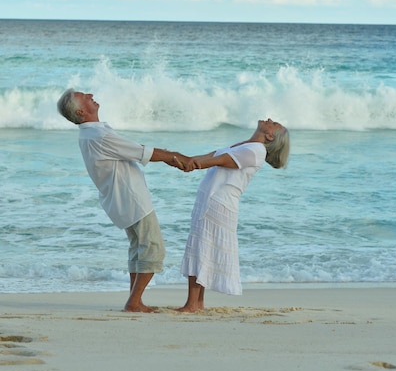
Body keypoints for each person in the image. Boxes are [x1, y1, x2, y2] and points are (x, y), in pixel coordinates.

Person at [57, 88, 196, 312]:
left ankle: (135, 299)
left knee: (138, 248)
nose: (90, 94)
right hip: (131, 199)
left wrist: (171, 156)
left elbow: (134, 151)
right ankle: (134, 301)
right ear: (81, 111)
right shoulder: (97, 136)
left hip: (122, 199)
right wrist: (175, 156)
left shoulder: (92, 133)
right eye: (84, 96)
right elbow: (141, 152)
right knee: (153, 249)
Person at [178, 118, 290, 313]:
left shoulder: (257, 151)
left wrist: (194, 164)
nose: (270, 119)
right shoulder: (245, 144)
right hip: (211, 199)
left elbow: (223, 161)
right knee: (202, 248)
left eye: (274, 124)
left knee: (203, 249)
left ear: (270, 136)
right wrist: (184, 160)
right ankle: (197, 303)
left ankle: (191, 304)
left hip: (219, 203)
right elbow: (213, 154)